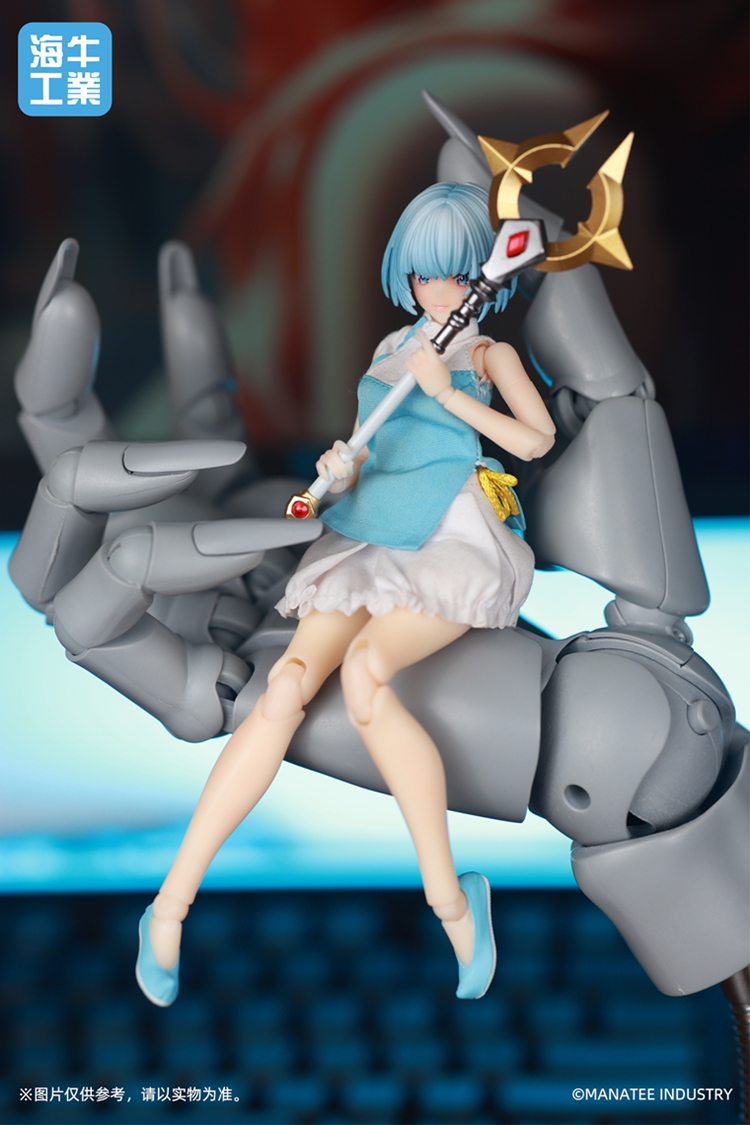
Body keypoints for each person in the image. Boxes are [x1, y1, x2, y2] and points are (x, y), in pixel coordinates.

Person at [135, 182, 556, 1006]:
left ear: (481, 276)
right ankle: (170, 905)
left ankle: (451, 901)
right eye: (426, 275)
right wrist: (342, 470)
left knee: (366, 677)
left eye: (455, 275)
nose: (440, 291)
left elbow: (535, 440)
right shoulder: (392, 347)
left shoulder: (485, 356)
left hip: (448, 533)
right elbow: (377, 449)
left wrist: (447, 392)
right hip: (369, 528)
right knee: (285, 686)